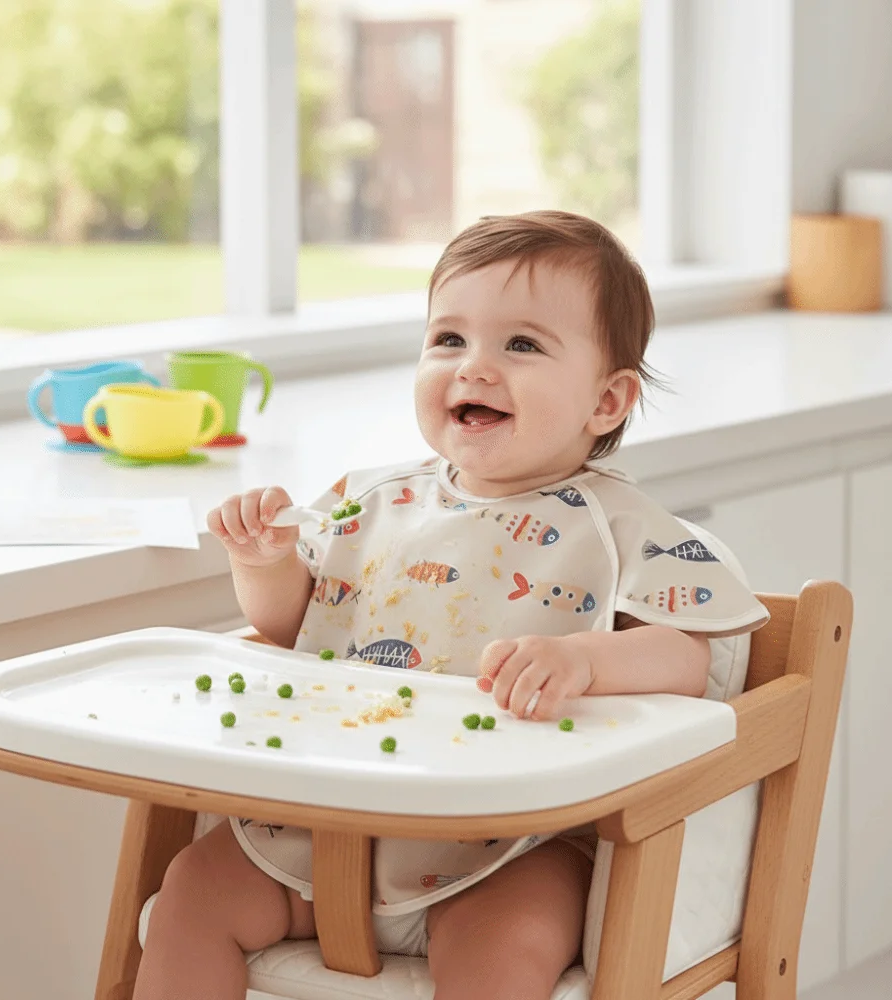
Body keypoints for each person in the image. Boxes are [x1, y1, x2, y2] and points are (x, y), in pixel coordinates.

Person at [134, 210, 769, 1000]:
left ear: (606, 402)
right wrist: (261, 561)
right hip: (323, 821)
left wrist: (581, 659)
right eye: (449, 340)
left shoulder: (621, 526)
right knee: (191, 895)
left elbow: (687, 656)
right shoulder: (368, 501)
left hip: (513, 842)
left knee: (504, 948)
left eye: (523, 345)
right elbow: (294, 627)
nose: (474, 368)